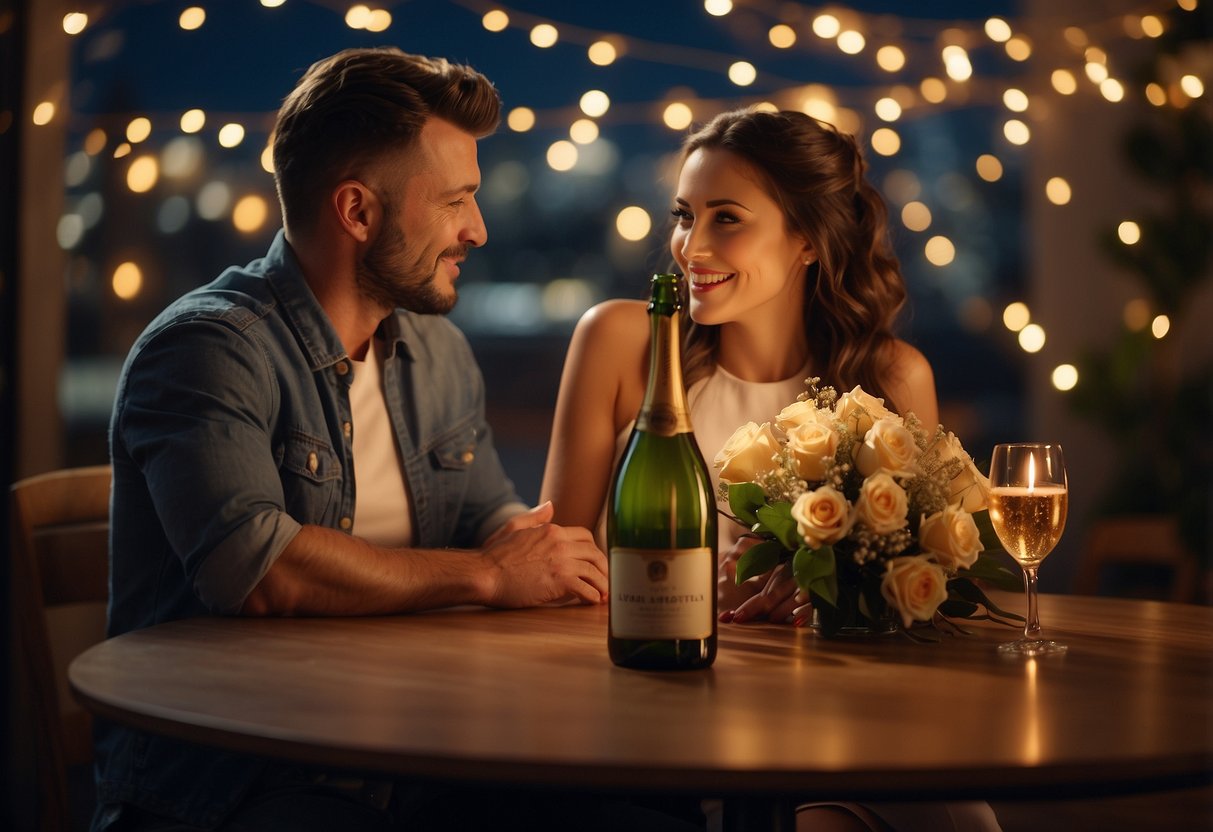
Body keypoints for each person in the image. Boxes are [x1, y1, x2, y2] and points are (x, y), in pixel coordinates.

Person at [95, 47, 629, 832]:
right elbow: (260, 571)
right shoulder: (207, 349)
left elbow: (490, 518)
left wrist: (551, 560)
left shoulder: (434, 348)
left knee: (634, 809)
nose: (476, 230)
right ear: (357, 211)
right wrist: (486, 574)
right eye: (455, 202)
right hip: (235, 784)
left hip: (412, 753)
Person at [540, 108, 1000, 832]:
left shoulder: (892, 378)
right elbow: (557, 568)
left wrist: (835, 593)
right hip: (642, 714)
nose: (690, 245)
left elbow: (935, 596)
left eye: (727, 219)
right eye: (683, 215)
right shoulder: (620, 341)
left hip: (822, 724)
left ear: (808, 242)